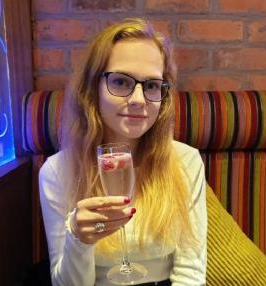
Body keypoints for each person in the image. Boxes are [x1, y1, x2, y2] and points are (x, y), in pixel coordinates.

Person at [39, 18, 207, 286]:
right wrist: (79, 240)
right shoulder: (57, 172)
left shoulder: (186, 161)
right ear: (91, 89)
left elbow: (191, 272)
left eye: (152, 85)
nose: (139, 100)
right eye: (120, 82)